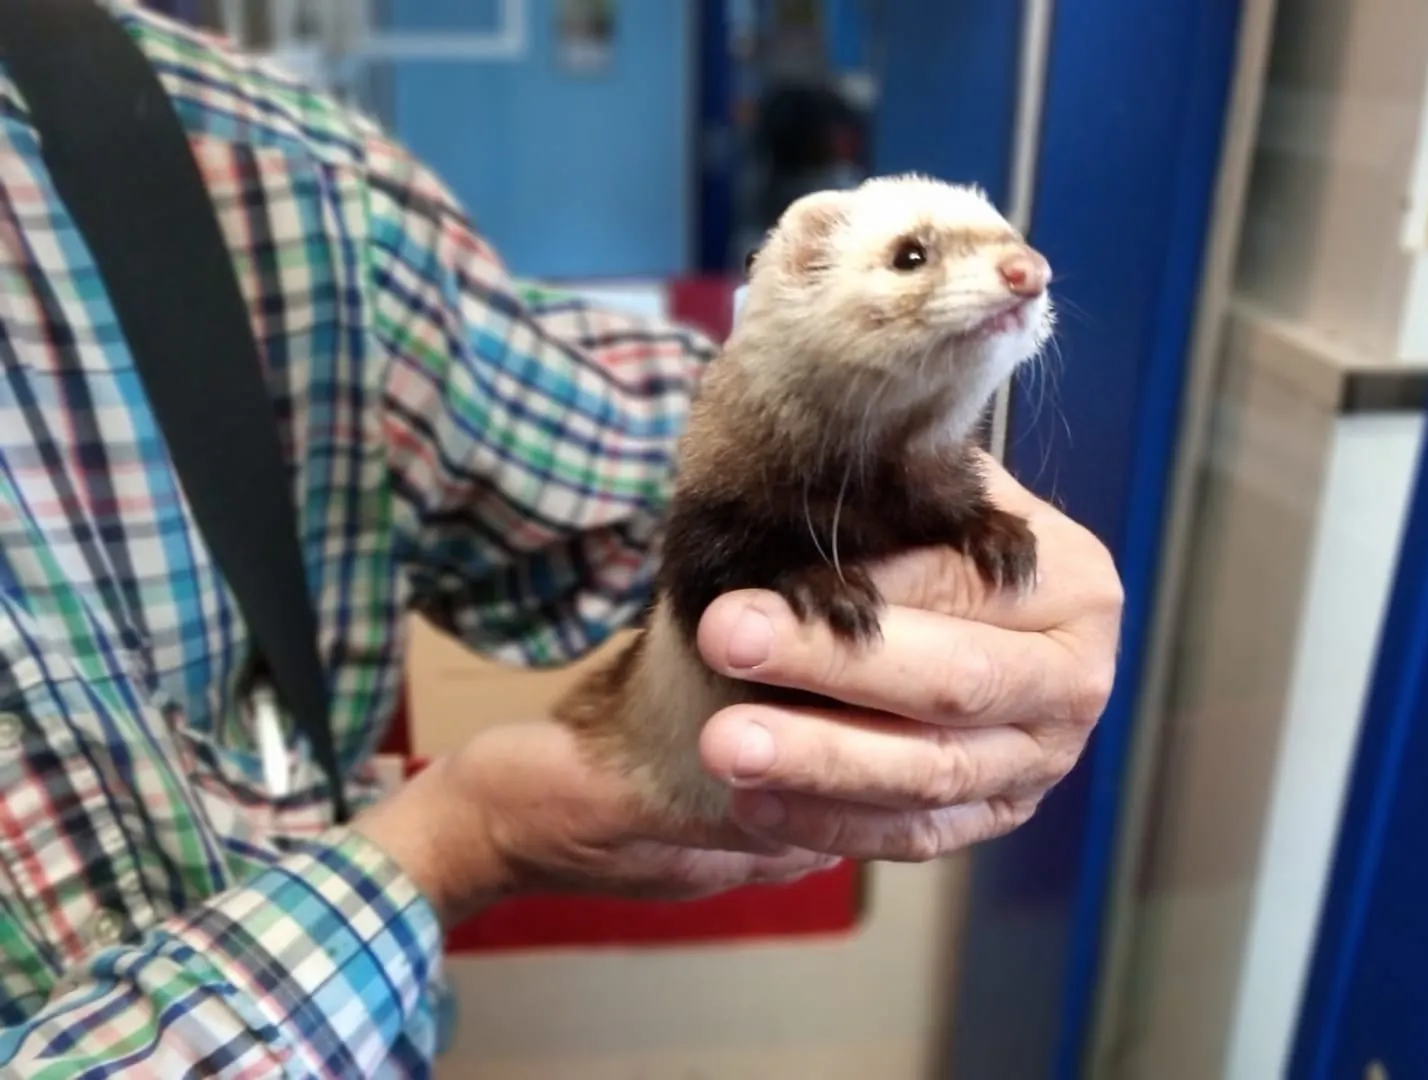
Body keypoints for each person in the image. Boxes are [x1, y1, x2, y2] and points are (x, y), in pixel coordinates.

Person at [0, 3, 1123, 1076]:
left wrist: (967, 538)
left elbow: (643, 458)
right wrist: (460, 838)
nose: (1017, 270)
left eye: (1008, 246)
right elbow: (721, 541)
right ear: (803, 273)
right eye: (917, 257)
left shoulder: (219, 144)